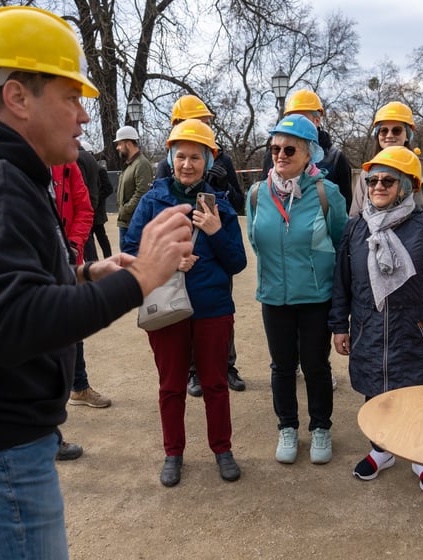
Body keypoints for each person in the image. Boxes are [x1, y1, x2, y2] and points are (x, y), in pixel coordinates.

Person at [0, 7, 194, 558]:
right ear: (17, 97)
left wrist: (80, 273)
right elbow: (7, 326)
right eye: (70, 98)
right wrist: (143, 279)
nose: (82, 117)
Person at [331, 146, 423, 493]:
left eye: (387, 180)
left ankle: (420, 454)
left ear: (406, 186)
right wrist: (338, 326)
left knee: (418, 395)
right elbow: (342, 282)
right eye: (372, 180)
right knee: (376, 393)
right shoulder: (355, 229)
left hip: (416, 330)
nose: (378, 186)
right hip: (368, 329)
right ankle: (381, 450)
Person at [124, 119, 246, 487]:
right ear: (171, 158)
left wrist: (215, 232)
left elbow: (237, 262)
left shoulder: (220, 206)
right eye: (181, 156)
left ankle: (221, 449)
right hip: (167, 308)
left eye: (196, 157)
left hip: (212, 308)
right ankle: (173, 453)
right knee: (171, 386)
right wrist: (167, 261)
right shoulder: (152, 200)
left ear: (209, 161)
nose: (188, 164)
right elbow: (131, 251)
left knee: (214, 384)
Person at [246, 114, 348, 465]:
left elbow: (338, 242)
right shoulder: (257, 194)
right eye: (275, 148)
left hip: (316, 297)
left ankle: (320, 427)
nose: (280, 155)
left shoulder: (326, 193)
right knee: (282, 366)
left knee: (316, 366)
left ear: (309, 155)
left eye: (290, 149)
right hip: (274, 296)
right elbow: (257, 243)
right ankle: (287, 426)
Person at [153, 94, 246, 395]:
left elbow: (238, 202)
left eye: (204, 122)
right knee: (180, 309)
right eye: (192, 121)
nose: (199, 127)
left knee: (218, 309)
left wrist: (223, 188)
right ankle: (193, 371)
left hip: (215, 252)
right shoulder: (165, 167)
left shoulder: (222, 160)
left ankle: (226, 364)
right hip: (179, 260)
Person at [51, 161, 113, 414]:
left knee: (73, 329)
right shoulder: (13, 161)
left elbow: (84, 208)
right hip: (32, 267)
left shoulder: (67, 164)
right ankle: (47, 415)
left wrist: (74, 245)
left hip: (69, 263)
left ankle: (79, 387)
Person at [260, 89, 353, 213]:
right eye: (292, 117)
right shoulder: (273, 156)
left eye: (302, 118)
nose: (296, 123)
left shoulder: (335, 158)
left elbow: (343, 209)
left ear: (317, 120)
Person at [348, 101, 423, 218]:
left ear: (408, 135)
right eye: (383, 130)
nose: (389, 135)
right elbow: (355, 217)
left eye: (396, 130)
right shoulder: (366, 173)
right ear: (377, 135)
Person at [114, 125, 152, 250]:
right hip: (127, 221)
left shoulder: (142, 164)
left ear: (128, 143)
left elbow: (142, 193)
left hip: (133, 223)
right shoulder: (131, 164)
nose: (117, 148)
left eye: (119, 144)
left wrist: (125, 210)